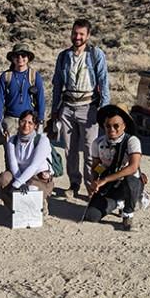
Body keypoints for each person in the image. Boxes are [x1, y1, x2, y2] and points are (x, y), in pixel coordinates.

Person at [48, 19, 110, 198]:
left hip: (89, 107)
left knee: (90, 150)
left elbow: (103, 82)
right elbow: (57, 84)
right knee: (70, 151)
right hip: (67, 107)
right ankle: (74, 183)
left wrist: (104, 111)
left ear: (88, 35)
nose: (77, 37)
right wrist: (55, 110)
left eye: (81, 34)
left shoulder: (95, 55)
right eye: (75, 33)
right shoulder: (64, 56)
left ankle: (92, 186)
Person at [84, 104, 143, 231]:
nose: (112, 129)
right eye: (108, 126)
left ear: (124, 126)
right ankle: (118, 203)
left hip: (127, 183)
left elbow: (133, 167)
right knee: (91, 216)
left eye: (116, 126)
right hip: (110, 187)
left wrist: (105, 179)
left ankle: (128, 214)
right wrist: (95, 181)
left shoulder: (132, 141)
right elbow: (96, 166)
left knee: (131, 180)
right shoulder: (97, 143)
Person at [0, 110, 55, 214]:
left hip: (37, 177)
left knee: (31, 189)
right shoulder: (12, 140)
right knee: (3, 179)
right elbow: (13, 164)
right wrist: (19, 182)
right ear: (19, 122)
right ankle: (14, 209)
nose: (26, 125)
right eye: (23, 121)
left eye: (30, 123)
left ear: (35, 126)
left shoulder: (42, 141)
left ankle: (41, 203)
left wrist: (18, 183)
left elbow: (34, 166)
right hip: (19, 174)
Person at [0, 43, 45, 138]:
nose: (20, 58)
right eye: (17, 55)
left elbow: (41, 99)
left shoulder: (34, 76)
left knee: (28, 152)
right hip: (10, 121)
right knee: (10, 151)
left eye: (23, 55)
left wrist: (40, 121)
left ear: (28, 57)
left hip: (29, 121)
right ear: (12, 58)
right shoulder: (6, 76)